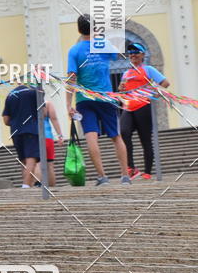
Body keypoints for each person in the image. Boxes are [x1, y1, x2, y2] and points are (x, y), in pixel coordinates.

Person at [66, 14, 131, 186]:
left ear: (79, 29)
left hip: (84, 99)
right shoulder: (104, 45)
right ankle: (125, 175)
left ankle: (103, 177)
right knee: (116, 136)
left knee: (91, 136)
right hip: (106, 97)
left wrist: (68, 105)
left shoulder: (74, 51)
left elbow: (71, 79)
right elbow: (117, 56)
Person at [120, 42, 170, 180]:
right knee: (124, 132)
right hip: (129, 107)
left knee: (145, 139)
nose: (133, 55)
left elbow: (165, 83)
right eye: (130, 53)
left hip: (143, 107)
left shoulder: (148, 70)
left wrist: (154, 91)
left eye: (136, 52)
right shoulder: (126, 73)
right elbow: (121, 88)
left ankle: (147, 172)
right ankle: (131, 167)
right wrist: (121, 89)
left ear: (143, 54)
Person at [2, 81, 40, 188]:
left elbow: (6, 120)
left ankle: (28, 185)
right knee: (31, 158)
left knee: (23, 160)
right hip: (31, 129)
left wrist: (16, 122)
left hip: (16, 132)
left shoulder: (10, 95)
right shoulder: (34, 92)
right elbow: (44, 112)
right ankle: (26, 185)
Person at [34, 100, 64, 187]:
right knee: (49, 164)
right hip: (47, 137)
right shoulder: (47, 104)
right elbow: (54, 118)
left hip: (34, 136)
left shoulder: (28, 103)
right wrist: (60, 135)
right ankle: (52, 188)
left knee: (37, 162)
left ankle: (38, 185)